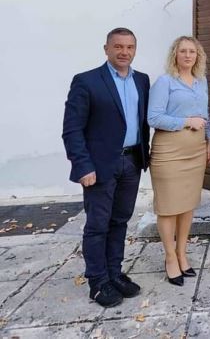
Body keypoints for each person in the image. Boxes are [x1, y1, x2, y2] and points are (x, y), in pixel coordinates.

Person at [62, 27, 150, 307]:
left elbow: (142, 122)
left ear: (135, 50)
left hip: (131, 161)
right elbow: (72, 129)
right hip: (99, 166)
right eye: (118, 46)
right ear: (106, 49)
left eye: (129, 47)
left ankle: (114, 273)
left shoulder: (142, 80)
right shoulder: (87, 81)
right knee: (98, 225)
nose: (124, 52)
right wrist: (82, 166)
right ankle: (98, 282)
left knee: (120, 220)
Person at [147, 36, 210, 286]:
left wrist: (209, 141)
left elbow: (205, 115)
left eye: (192, 52)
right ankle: (169, 258)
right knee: (168, 206)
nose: (188, 55)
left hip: (196, 150)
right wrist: (186, 122)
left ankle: (182, 254)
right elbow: (153, 118)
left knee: (187, 204)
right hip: (169, 152)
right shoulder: (165, 82)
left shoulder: (200, 82)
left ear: (198, 56)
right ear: (175, 54)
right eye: (183, 51)